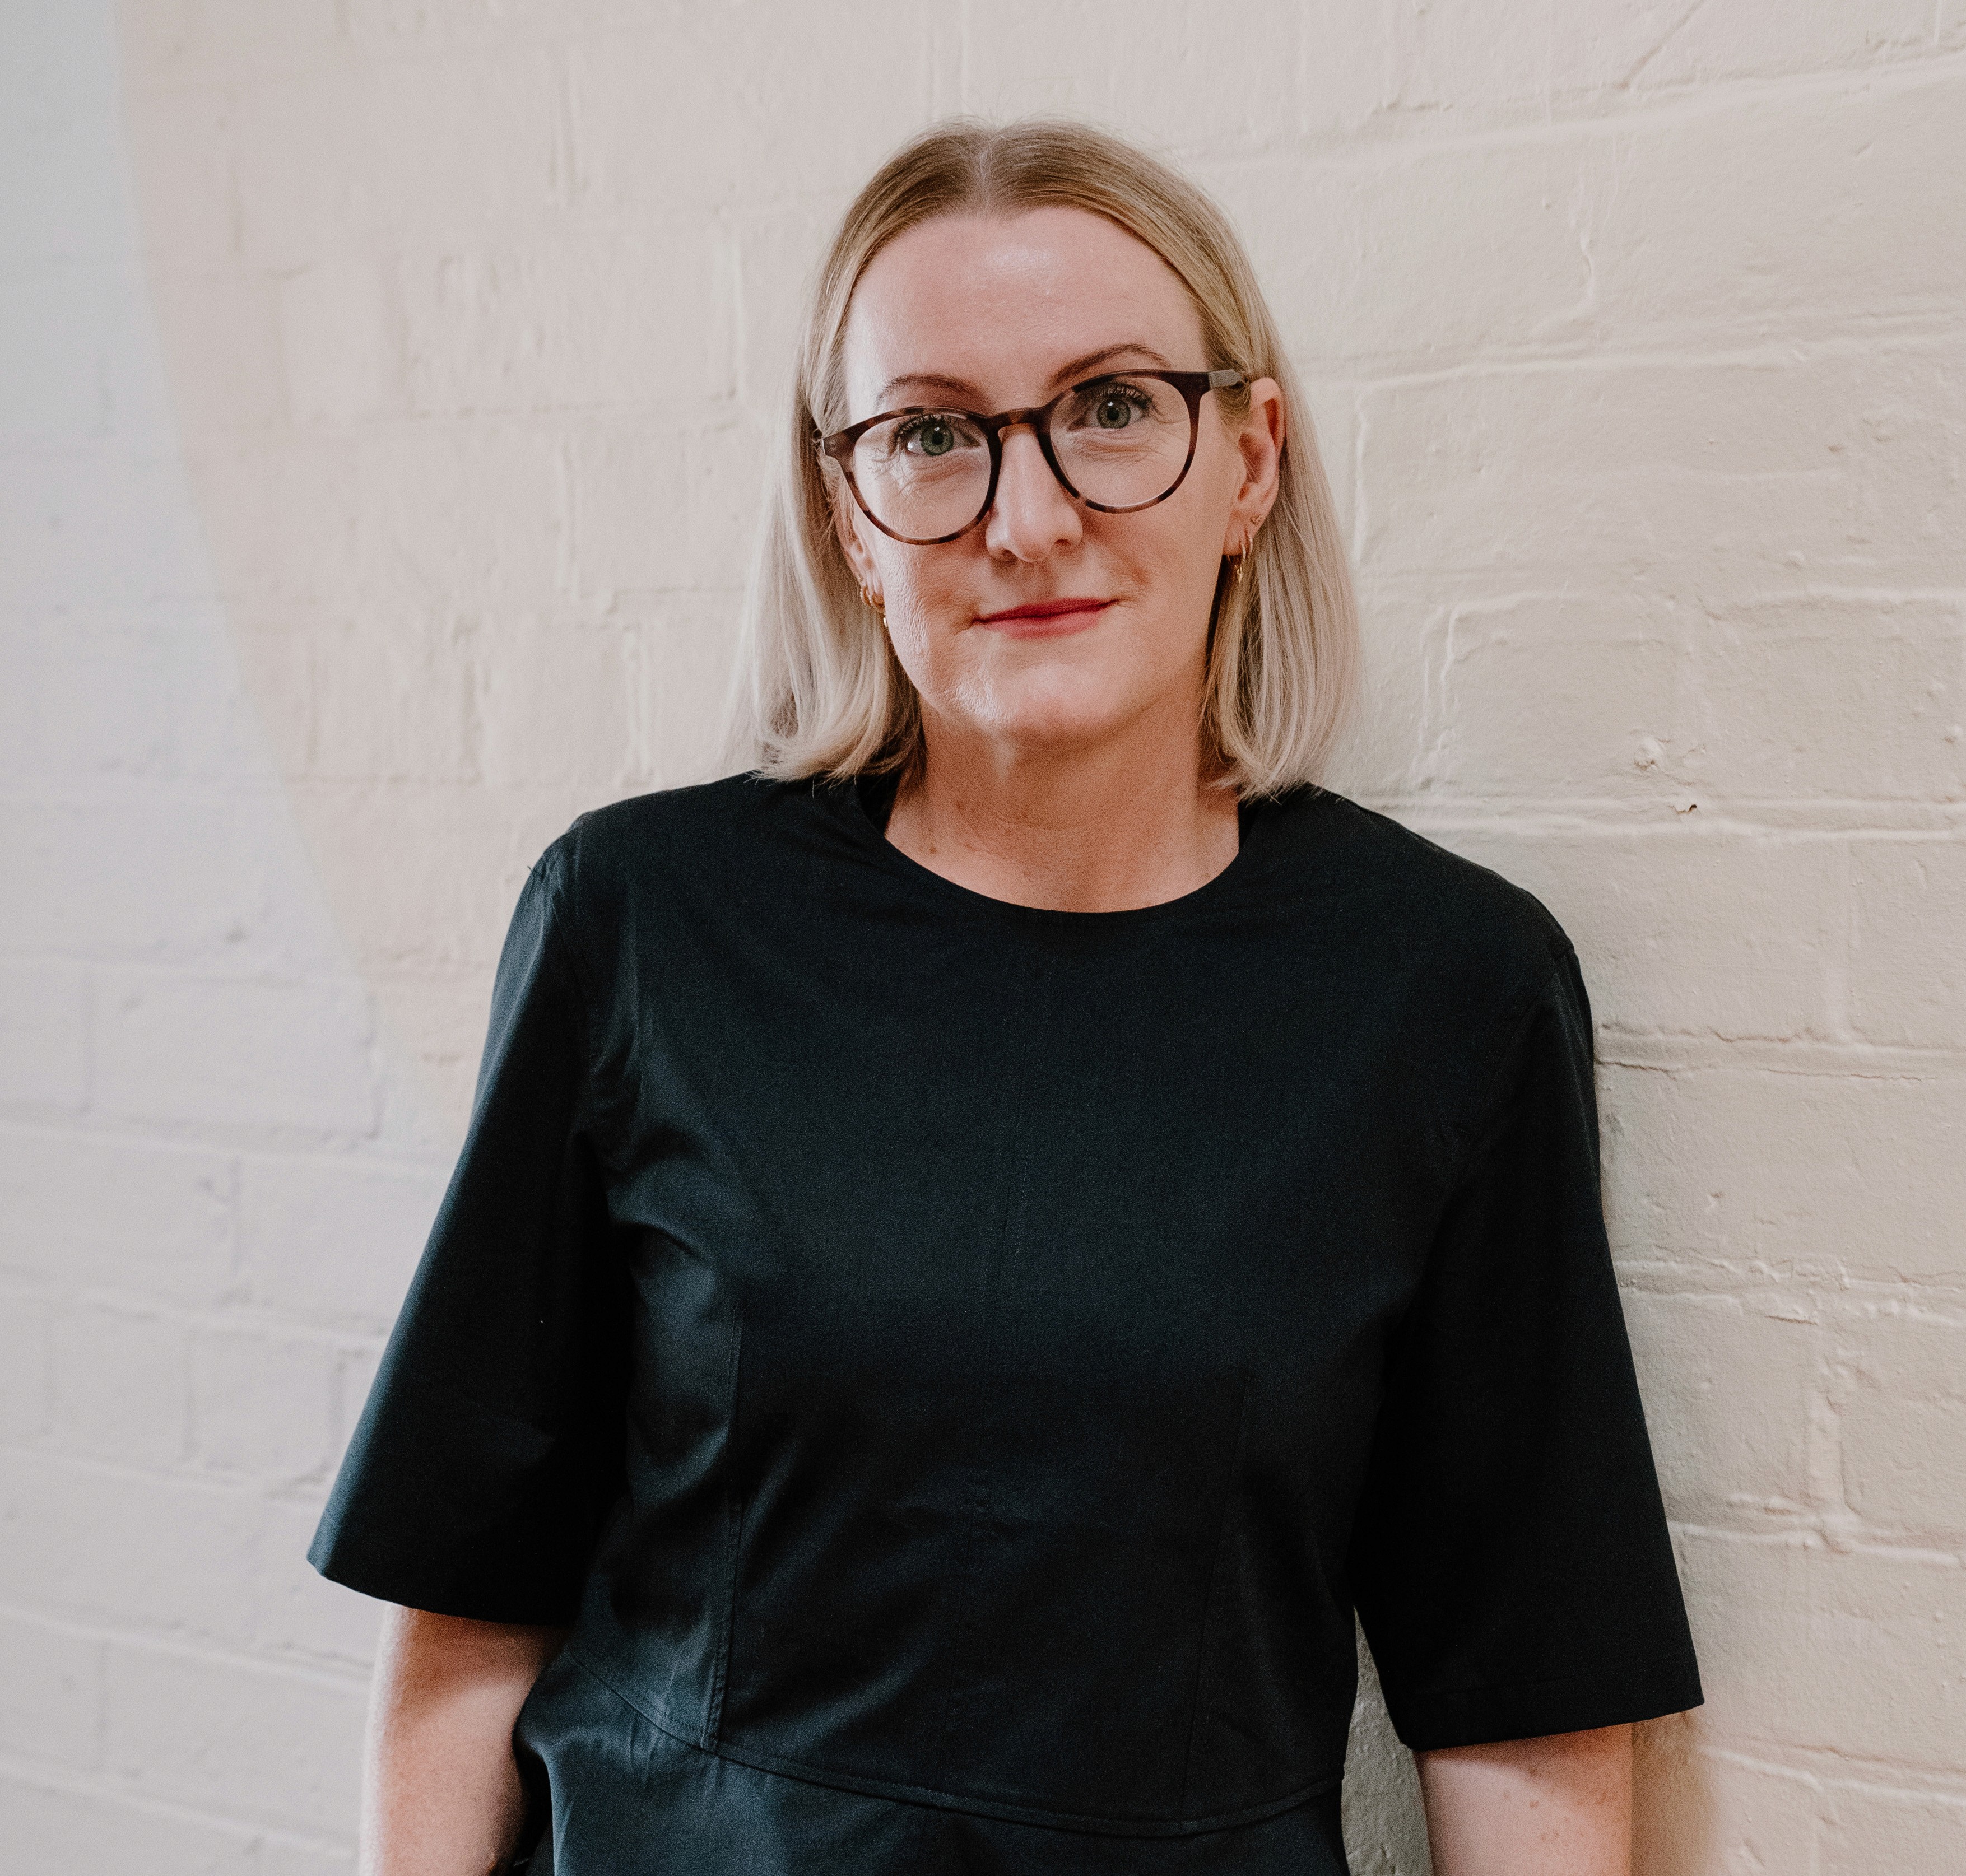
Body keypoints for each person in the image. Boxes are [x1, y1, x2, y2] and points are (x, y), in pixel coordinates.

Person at [310, 118, 1702, 1876]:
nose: (1027, 522)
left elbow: (1526, 1698)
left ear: (1251, 461)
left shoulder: (1448, 990)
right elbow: (466, 1612)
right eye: (931, 435)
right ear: (850, 513)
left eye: (1113, 409)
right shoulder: (644, 922)